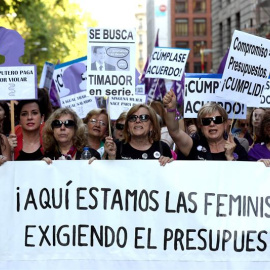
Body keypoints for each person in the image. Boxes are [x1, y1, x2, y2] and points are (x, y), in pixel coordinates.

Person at [163, 90, 248, 161]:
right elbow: (174, 132)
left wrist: (230, 157)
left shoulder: (236, 147)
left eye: (217, 120)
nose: (212, 124)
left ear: (225, 124)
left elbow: (245, 177)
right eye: (206, 121)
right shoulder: (193, 144)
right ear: (200, 125)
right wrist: (171, 109)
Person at [104, 104, 173, 166]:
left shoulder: (163, 148)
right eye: (132, 118)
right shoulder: (116, 147)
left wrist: (168, 163)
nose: (137, 121)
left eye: (143, 117)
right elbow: (106, 176)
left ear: (151, 126)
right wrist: (111, 157)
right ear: (127, 127)